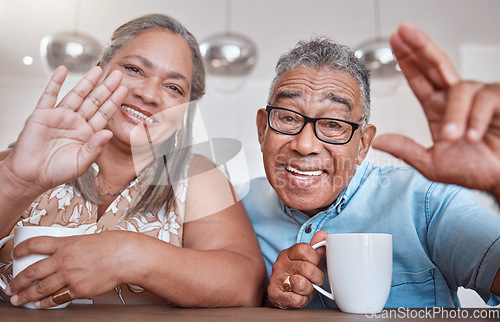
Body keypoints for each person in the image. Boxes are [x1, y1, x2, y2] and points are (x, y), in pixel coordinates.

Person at [0, 14, 266, 308]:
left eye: (174, 88)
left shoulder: (198, 177)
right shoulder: (16, 163)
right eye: (134, 69)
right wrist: (15, 184)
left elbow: (246, 285)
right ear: (100, 72)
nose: (149, 94)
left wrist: (130, 254)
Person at [241, 21, 500, 309]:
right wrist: (265, 299)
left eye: (333, 124)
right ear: (263, 130)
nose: (304, 145)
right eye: (288, 118)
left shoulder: (426, 200)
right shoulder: (237, 210)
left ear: (363, 144)